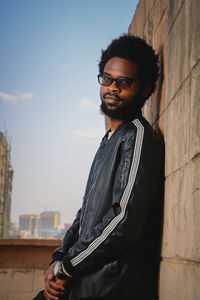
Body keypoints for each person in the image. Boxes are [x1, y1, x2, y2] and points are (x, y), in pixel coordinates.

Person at [34, 34, 164, 300]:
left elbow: (123, 220)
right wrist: (58, 259)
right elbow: (85, 213)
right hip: (81, 282)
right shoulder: (107, 141)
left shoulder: (137, 137)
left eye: (124, 82)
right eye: (107, 79)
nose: (112, 88)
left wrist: (67, 266)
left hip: (107, 288)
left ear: (146, 89)